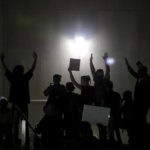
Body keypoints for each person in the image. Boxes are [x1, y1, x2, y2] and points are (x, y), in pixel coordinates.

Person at [0, 51, 37, 145]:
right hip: (23, 103)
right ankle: (25, 141)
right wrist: (35, 59)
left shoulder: (13, 78)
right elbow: (32, 69)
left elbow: (6, 70)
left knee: (15, 123)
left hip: (15, 104)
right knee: (24, 123)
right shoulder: (24, 78)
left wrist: (2, 60)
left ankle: (15, 141)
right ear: (22, 71)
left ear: (15, 71)